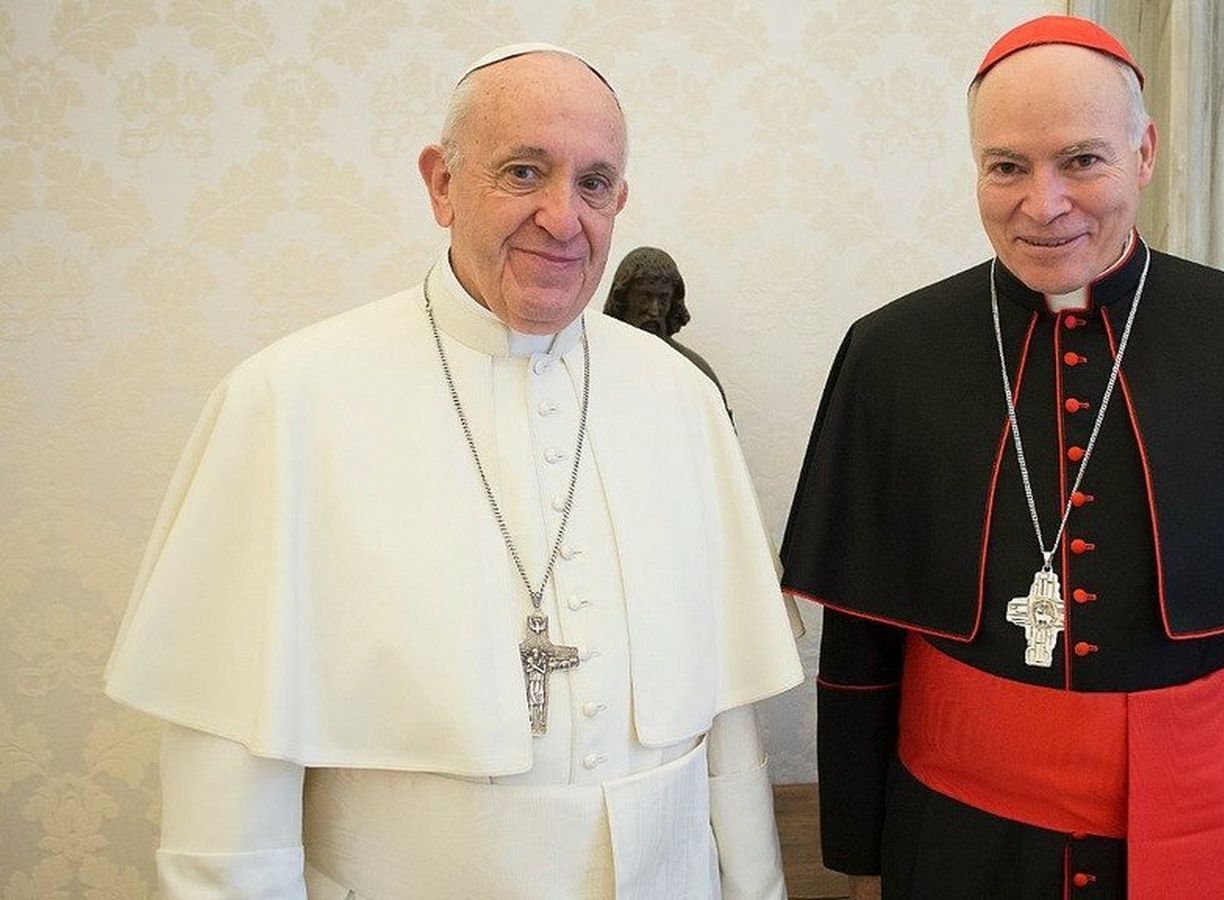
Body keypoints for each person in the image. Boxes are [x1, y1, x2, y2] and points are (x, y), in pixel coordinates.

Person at [105, 42, 801, 900]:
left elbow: (727, 720)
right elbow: (231, 763)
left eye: (593, 183)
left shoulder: (679, 398)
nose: (562, 216)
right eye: (522, 172)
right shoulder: (288, 401)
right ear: (441, 184)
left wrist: (758, 887)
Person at [781, 16, 1224, 900]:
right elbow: (861, 645)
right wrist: (860, 858)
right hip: (959, 843)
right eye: (1006, 165)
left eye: (1081, 160)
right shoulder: (891, 354)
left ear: (1145, 153)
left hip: (1210, 830)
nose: (1042, 203)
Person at [604, 245, 732, 415]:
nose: (654, 311)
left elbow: (723, 437)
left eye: (663, 299)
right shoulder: (593, 363)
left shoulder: (694, 370)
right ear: (624, 298)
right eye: (645, 298)